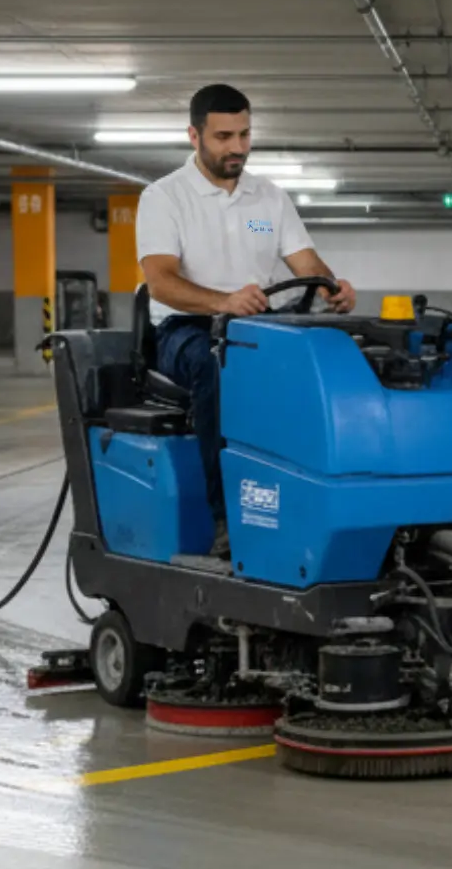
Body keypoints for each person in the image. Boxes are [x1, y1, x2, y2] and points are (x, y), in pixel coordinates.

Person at [136, 83, 356, 557]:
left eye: (244, 134)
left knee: (327, 363)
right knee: (220, 368)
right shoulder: (165, 199)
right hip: (186, 329)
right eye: (223, 137)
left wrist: (331, 286)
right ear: (194, 136)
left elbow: (303, 260)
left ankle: (313, 499)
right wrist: (224, 302)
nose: (237, 147)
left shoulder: (266, 201)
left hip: (256, 324)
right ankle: (227, 518)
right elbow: (161, 283)